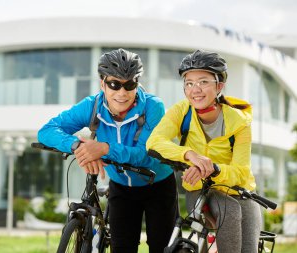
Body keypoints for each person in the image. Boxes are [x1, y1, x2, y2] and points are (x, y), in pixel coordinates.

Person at [38, 48, 177, 253]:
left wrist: (103, 149)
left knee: (161, 247)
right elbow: (47, 131)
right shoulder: (92, 106)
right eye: (114, 84)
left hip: (157, 183)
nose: (122, 93)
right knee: (122, 248)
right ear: (102, 83)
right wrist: (80, 146)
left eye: (130, 84)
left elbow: (145, 154)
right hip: (121, 187)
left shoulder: (153, 107)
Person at [146, 49, 261, 253]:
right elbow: (154, 142)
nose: (195, 89)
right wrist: (190, 155)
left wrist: (211, 168)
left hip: (239, 191)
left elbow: (241, 171)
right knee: (229, 211)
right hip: (199, 189)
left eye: (203, 82)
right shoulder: (181, 112)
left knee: (249, 247)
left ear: (219, 86)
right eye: (189, 83)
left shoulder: (240, 122)